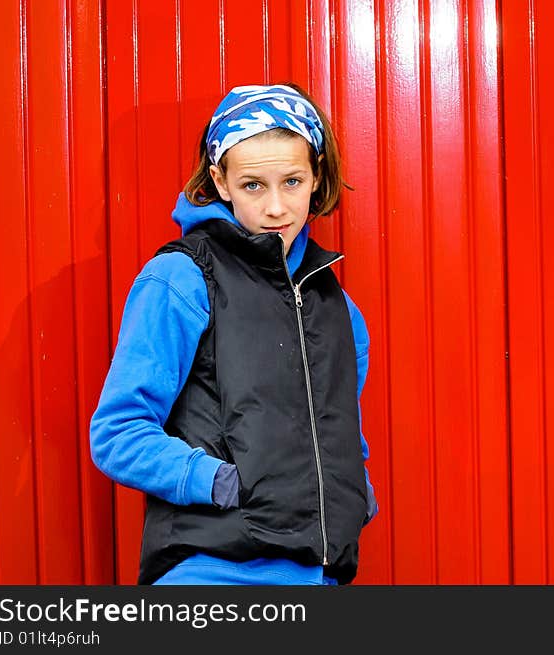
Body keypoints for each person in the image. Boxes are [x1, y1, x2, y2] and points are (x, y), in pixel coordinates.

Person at [90, 83, 377, 585]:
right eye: (252, 185)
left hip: (319, 576)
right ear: (220, 182)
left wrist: (354, 489)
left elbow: (335, 433)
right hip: (209, 574)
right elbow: (117, 433)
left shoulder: (339, 310)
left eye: (292, 181)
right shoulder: (181, 279)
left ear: (316, 179)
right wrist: (218, 481)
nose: (275, 208)